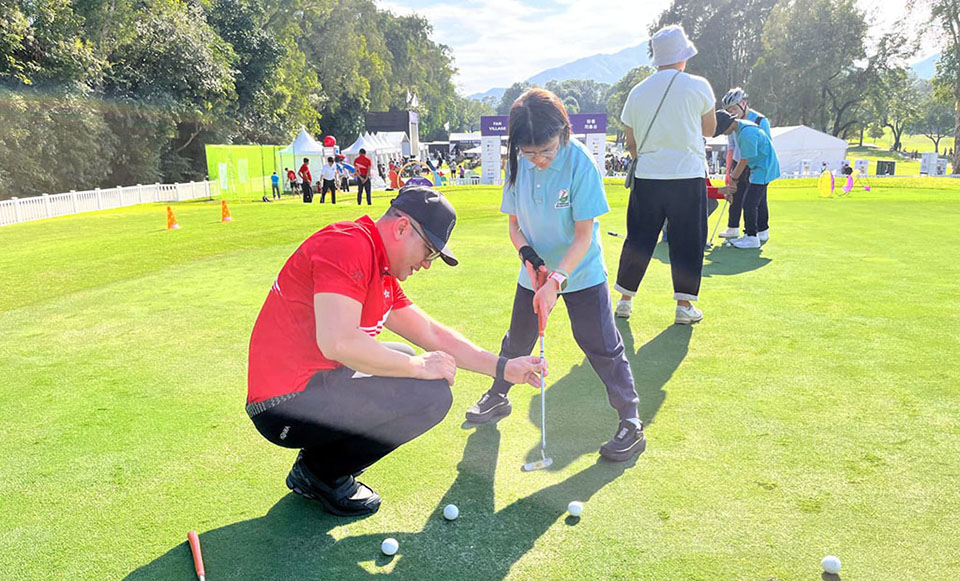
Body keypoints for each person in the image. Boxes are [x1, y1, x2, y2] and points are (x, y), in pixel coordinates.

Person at [247, 185, 545, 517]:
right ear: (402, 227)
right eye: (429, 250)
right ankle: (320, 473)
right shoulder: (348, 245)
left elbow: (431, 333)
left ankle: (318, 464)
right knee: (430, 395)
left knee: (403, 354)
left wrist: (504, 367)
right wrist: (420, 367)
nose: (427, 264)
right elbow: (338, 342)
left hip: (308, 389)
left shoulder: (380, 270)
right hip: (283, 407)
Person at [463, 88, 644, 462]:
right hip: (534, 271)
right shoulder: (518, 163)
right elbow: (514, 227)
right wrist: (530, 260)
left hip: (580, 270)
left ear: (563, 131)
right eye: (530, 153)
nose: (539, 160)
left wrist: (557, 280)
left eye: (546, 151)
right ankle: (498, 395)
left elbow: (583, 236)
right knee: (518, 340)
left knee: (601, 345)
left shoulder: (581, 165)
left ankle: (631, 421)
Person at [613, 24, 716, 324]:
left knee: (639, 239)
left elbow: (631, 143)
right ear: (683, 56)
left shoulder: (637, 92)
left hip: (648, 177)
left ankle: (624, 300)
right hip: (687, 175)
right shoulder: (698, 85)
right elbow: (709, 129)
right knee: (688, 240)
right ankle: (684, 305)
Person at [715, 110, 780, 248]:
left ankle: (752, 237)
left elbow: (744, 160)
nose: (723, 133)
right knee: (753, 201)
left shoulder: (746, 133)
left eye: (722, 130)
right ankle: (754, 234)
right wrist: (734, 179)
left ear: (728, 125)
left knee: (750, 203)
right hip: (759, 167)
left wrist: (733, 179)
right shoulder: (743, 127)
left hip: (763, 168)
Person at [718, 87, 772, 240]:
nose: (732, 112)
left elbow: (766, 146)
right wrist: (729, 173)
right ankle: (733, 227)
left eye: (734, 108)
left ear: (743, 103)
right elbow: (732, 147)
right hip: (738, 161)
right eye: (729, 110)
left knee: (758, 198)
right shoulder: (731, 122)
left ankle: (762, 230)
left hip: (756, 164)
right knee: (735, 195)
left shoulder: (760, 120)